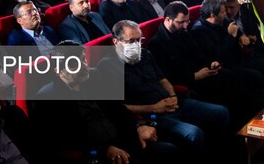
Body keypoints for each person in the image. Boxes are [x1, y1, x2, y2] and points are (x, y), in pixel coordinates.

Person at [98, 20, 231, 164]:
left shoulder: (145, 54)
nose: (136, 45)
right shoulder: (106, 66)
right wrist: (154, 108)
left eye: (139, 40)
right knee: (194, 134)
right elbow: (116, 108)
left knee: (220, 112)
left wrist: (172, 94)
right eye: (131, 41)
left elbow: (163, 79)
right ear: (116, 42)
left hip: (173, 103)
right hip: (151, 115)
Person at [33, 41, 179, 163]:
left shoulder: (95, 76)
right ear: (59, 71)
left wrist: (139, 126)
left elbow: (117, 108)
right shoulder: (47, 98)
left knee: (169, 150)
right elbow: (62, 140)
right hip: (95, 153)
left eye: (83, 59)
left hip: (123, 138)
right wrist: (104, 149)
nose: (84, 67)